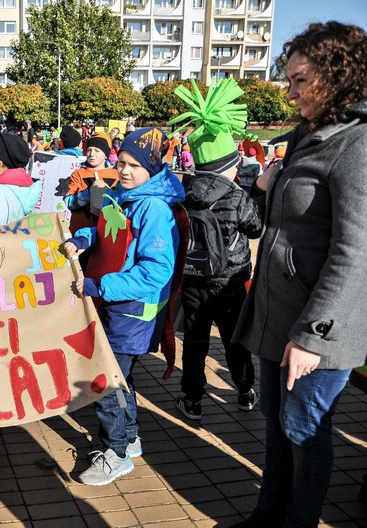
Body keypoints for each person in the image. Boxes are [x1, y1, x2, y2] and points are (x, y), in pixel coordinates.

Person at [232, 21, 367, 528]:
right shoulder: (306, 136)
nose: (289, 93)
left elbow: (356, 252)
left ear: (339, 75)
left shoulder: (356, 144)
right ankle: (268, 514)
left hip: (316, 325)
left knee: (305, 428)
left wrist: (314, 335)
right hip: (276, 314)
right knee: (275, 422)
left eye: (299, 80)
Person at [62, 127, 184, 486]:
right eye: (122, 163)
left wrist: (104, 285)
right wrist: (84, 238)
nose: (125, 171)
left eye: (134, 165)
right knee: (121, 377)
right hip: (114, 305)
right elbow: (108, 231)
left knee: (106, 380)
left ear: (152, 169)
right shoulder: (125, 196)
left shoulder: (153, 208)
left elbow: (156, 270)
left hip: (131, 311)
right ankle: (128, 441)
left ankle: (114, 453)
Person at [166, 78, 263, 421]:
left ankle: (192, 399)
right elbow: (256, 228)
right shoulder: (237, 196)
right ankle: (245, 391)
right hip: (230, 281)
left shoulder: (183, 192)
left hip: (193, 279)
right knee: (233, 340)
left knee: (194, 342)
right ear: (228, 165)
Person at [64, 134, 116, 235]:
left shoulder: (116, 174)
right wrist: (89, 193)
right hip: (79, 230)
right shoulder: (78, 174)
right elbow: (69, 202)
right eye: (89, 150)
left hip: (106, 232)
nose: (92, 154)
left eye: (97, 151)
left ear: (105, 155)